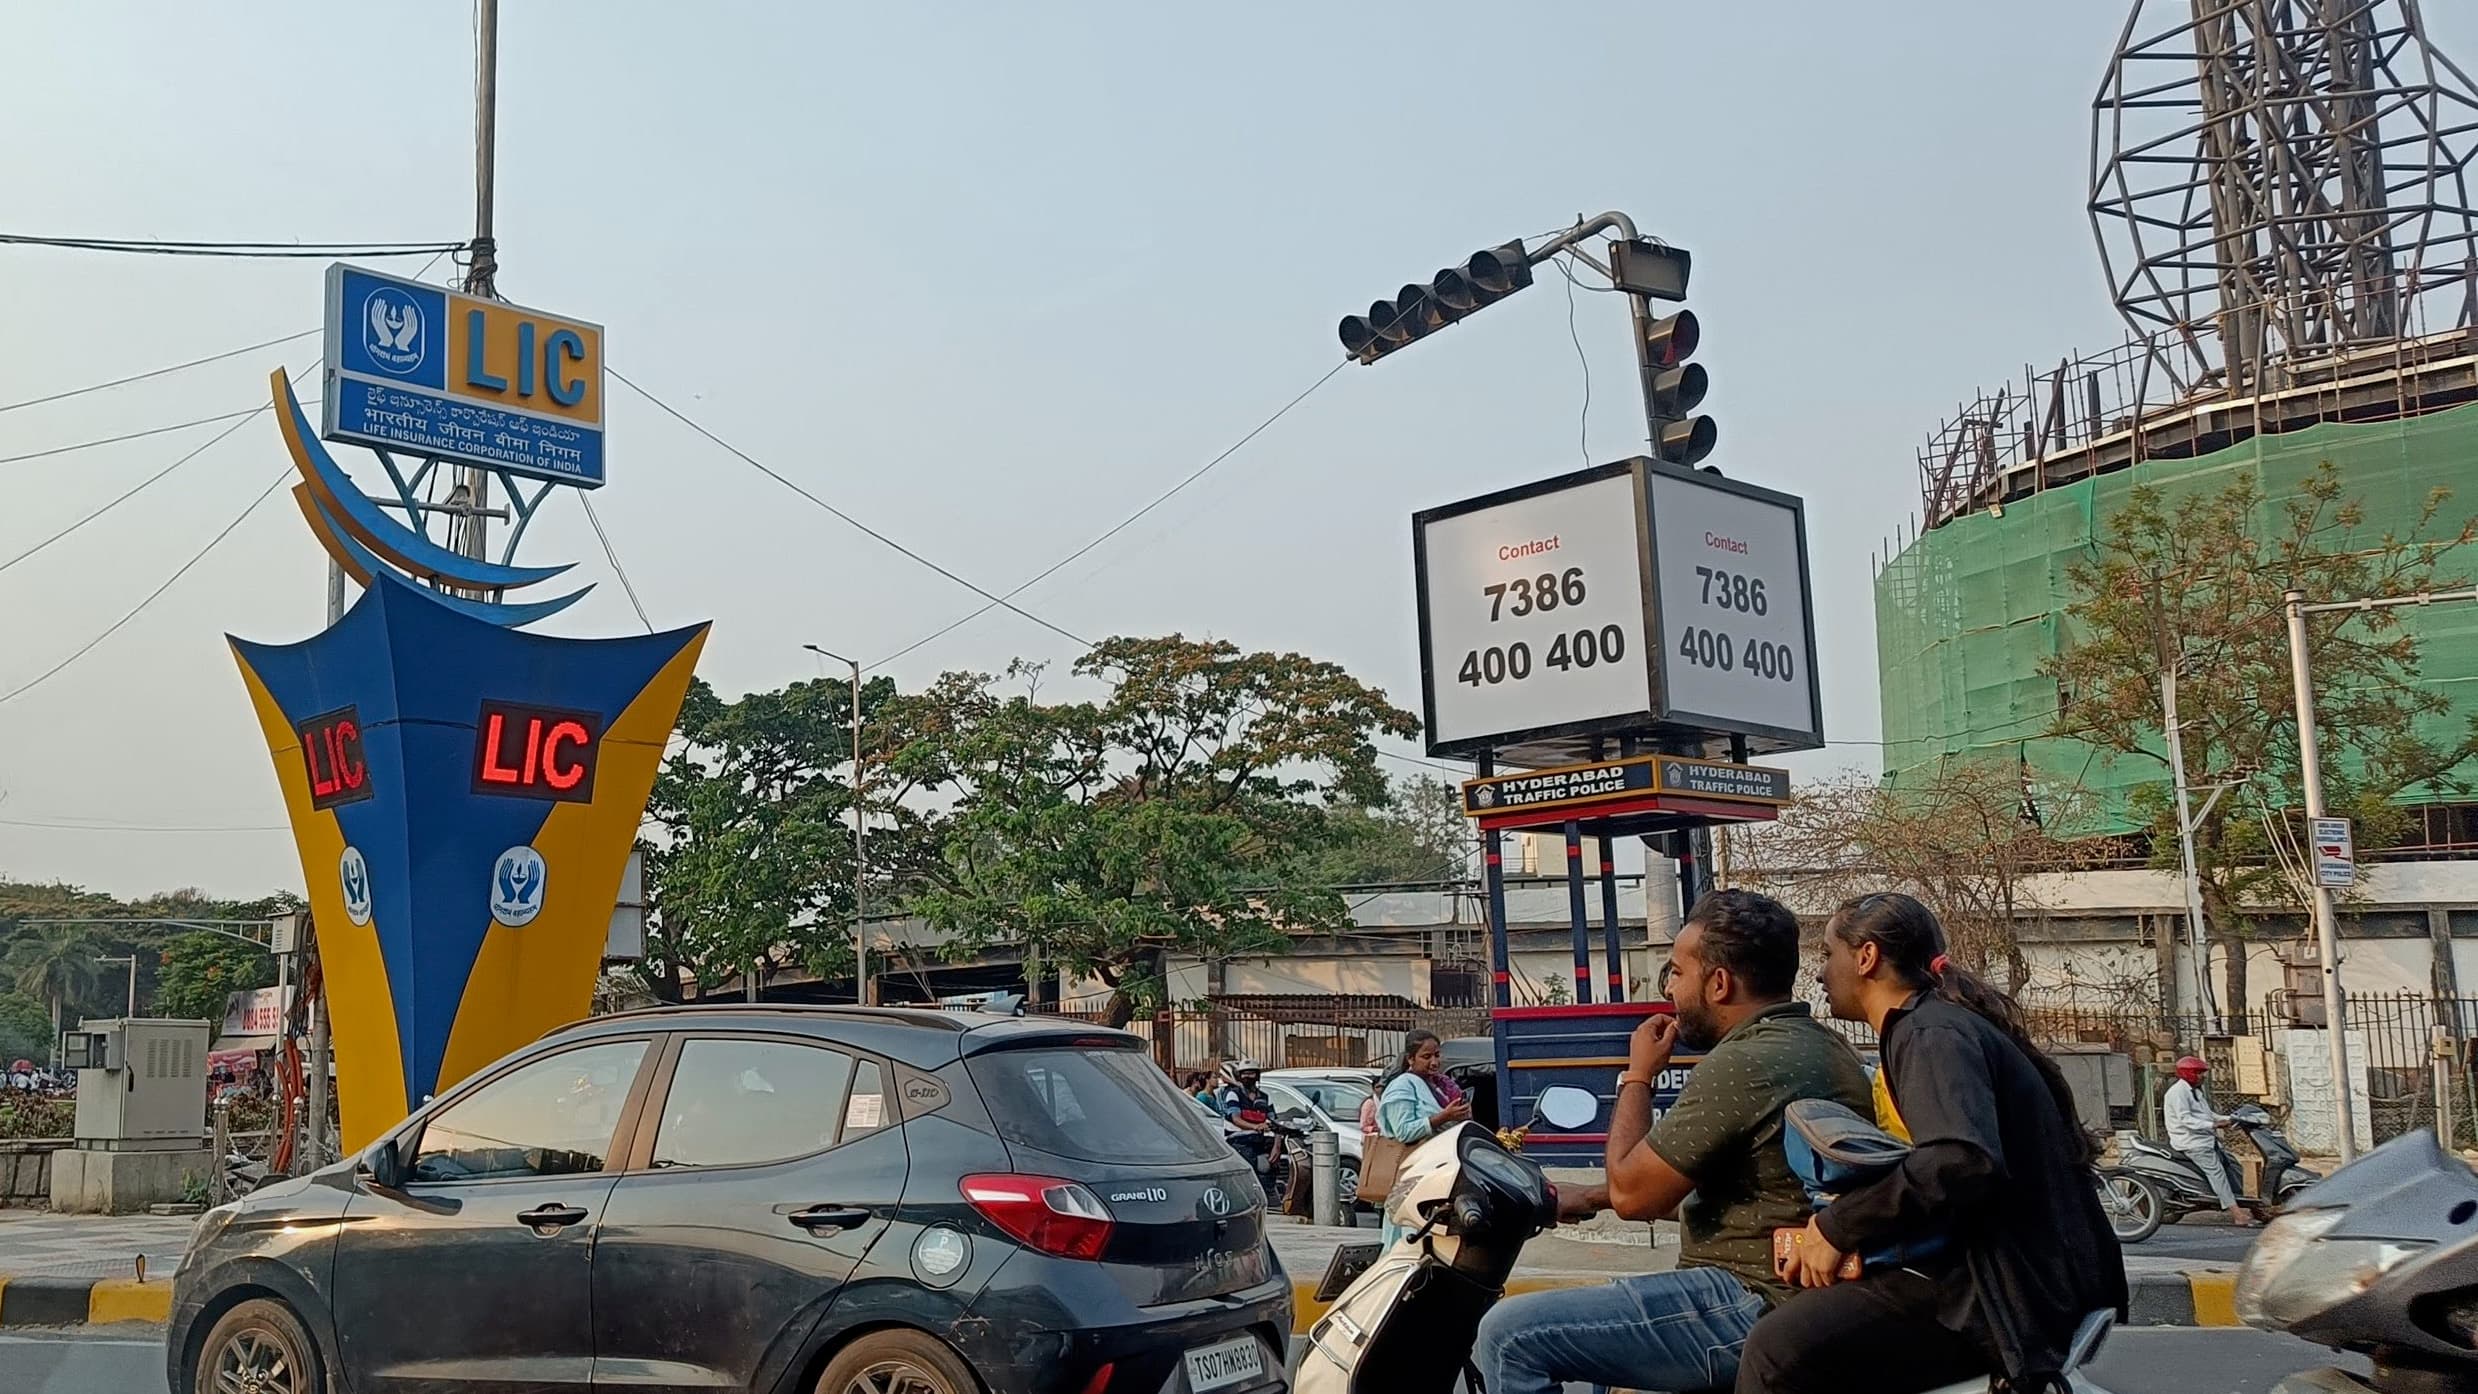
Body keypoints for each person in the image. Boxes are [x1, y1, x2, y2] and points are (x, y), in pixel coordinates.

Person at [1474, 889, 1873, 1394]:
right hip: (1790, 1295)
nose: (1670, 991)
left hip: (1749, 1297)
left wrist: (1637, 1076)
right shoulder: (1819, 1044)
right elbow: (1734, 1190)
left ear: (1720, 984)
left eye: (1677, 973)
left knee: (1509, 1335)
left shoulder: (1746, 1063)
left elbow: (1634, 1195)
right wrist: (1588, 1197)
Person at [1741, 892, 2129, 1394]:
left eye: (1828, 955)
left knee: (1777, 1349)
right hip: (2022, 1279)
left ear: (1866, 957)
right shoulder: (1935, 1024)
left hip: (2008, 1296)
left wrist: (1838, 1228)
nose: (1819, 974)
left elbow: (1960, 1160)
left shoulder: (1929, 1033)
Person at [1375, 1031, 1473, 1245]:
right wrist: (1443, 1117)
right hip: (1413, 1177)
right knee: (1411, 1239)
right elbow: (1403, 1131)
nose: (1434, 1062)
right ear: (1410, 1058)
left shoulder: (1441, 1085)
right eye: (1426, 1057)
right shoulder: (1402, 1086)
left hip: (1441, 1176)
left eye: (1437, 1055)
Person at [2163, 1055, 2252, 1226]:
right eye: (2199, 1073)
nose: (2203, 1076)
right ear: (2189, 1074)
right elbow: (2186, 1120)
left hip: (2206, 1139)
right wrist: (2213, 1124)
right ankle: (2237, 1214)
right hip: (2192, 1142)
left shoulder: (2195, 1091)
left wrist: (2232, 1119)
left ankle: (2249, 1205)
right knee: (2217, 1173)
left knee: (2233, 1165)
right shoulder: (2177, 1093)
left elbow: (2208, 1114)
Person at [1216, 1058, 1277, 1178]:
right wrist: (1256, 1126)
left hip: (1260, 1143)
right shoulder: (1233, 1094)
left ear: (1257, 1075)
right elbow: (1235, 1118)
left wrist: (1277, 1146)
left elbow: (1274, 1121)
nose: (1247, 1077)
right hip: (1240, 1143)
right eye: (1244, 1073)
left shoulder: (1264, 1098)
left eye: (1251, 1073)